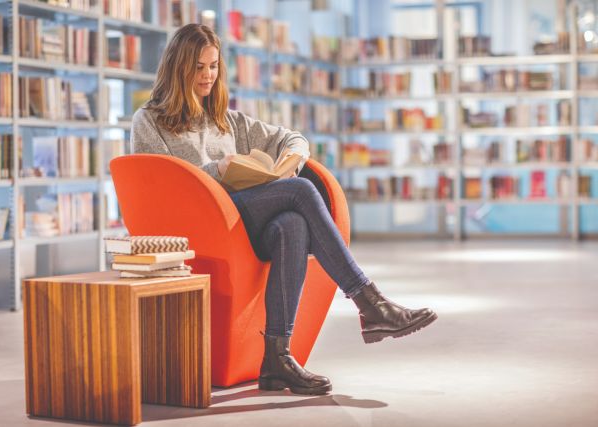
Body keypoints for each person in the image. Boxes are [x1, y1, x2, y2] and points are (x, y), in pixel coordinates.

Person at [131, 24, 437, 396]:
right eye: (198, 67)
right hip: (198, 226)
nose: (208, 75)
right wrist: (217, 171)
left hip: (241, 223)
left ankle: (277, 357)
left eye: (213, 66)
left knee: (292, 224)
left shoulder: (228, 120)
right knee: (299, 192)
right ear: (177, 68)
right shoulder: (149, 120)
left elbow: (292, 138)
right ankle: (369, 303)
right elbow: (162, 184)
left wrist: (292, 157)